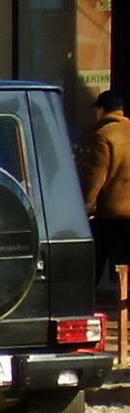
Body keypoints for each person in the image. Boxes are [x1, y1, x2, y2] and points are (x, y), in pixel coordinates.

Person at [80, 89, 130, 285]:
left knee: (94, 260)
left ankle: (86, 303)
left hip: (112, 213)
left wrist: (85, 206)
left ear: (101, 110)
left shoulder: (102, 135)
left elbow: (96, 176)